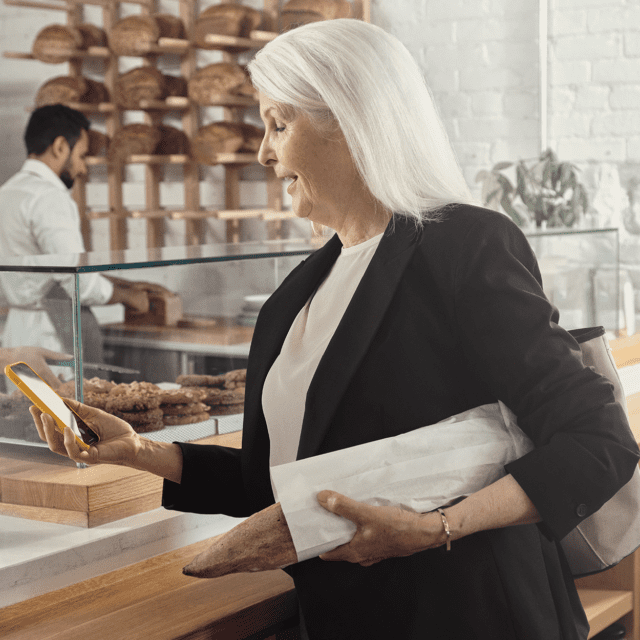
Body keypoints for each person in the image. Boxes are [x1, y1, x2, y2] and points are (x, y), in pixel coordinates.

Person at [31, 20, 640, 640]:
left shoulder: (463, 246)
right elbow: (272, 484)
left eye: (279, 123)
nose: (264, 152)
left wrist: (434, 529)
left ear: (350, 125)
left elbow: (599, 442)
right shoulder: (294, 297)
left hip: (473, 613)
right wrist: (140, 452)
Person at [0, 104, 152, 365]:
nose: (82, 169)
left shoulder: (8, 192)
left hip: (16, 332)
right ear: (60, 146)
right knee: (63, 406)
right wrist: (129, 297)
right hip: (53, 335)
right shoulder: (49, 198)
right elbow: (78, 281)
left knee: (24, 407)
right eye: (81, 155)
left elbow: (47, 267)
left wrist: (120, 284)